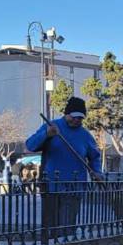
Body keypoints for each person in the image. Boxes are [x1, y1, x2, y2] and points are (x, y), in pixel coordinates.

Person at [25, 97, 103, 236]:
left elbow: (95, 156)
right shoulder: (52, 127)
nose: (77, 120)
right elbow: (30, 145)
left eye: (80, 118)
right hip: (51, 186)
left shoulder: (85, 135)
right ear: (66, 114)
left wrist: (96, 172)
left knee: (67, 228)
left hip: (74, 187)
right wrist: (47, 134)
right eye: (74, 117)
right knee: (50, 228)